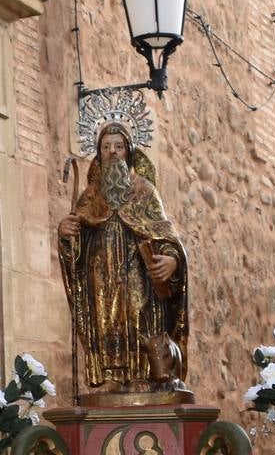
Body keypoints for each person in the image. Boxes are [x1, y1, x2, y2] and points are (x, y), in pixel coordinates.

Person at [56, 119, 189, 395]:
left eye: (118, 146)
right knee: (106, 320)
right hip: (101, 273)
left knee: (140, 316)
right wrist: (66, 235)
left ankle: (145, 374)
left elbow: (165, 234)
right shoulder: (90, 196)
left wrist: (172, 260)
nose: (113, 152)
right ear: (99, 153)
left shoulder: (145, 191)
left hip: (137, 271)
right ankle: (111, 376)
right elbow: (75, 243)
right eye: (106, 147)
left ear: (128, 151)